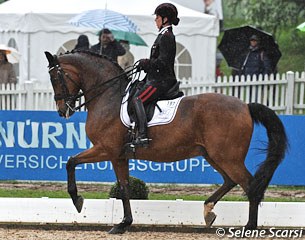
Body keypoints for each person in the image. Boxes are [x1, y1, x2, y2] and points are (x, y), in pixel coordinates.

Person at [130, 3, 180, 148]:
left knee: (137, 99)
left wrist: (147, 63)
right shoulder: (162, 35)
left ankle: (143, 135)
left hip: (162, 81)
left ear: (165, 19)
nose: (155, 20)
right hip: (156, 78)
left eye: (157, 17)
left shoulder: (167, 36)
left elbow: (163, 62)